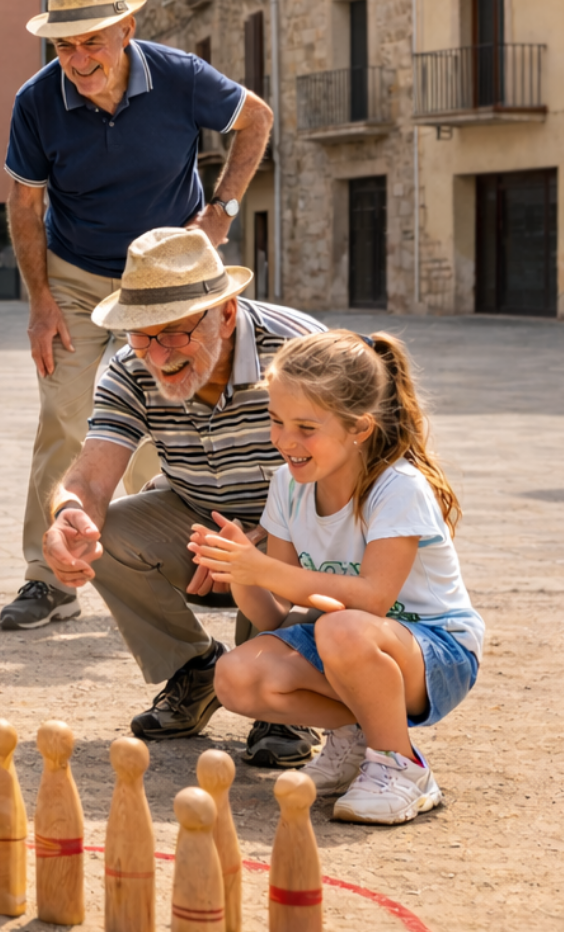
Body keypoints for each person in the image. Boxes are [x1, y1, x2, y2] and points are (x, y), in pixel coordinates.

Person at [0, 0, 274, 633]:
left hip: (166, 280)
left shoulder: (179, 77)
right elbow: (25, 204)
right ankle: (48, 576)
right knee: (66, 419)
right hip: (76, 270)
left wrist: (224, 209)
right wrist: (40, 300)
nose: (79, 58)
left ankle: (173, 567)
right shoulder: (37, 102)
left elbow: (255, 118)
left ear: (126, 28)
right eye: (65, 45)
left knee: (171, 421)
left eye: (93, 40)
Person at [41, 228, 328, 768]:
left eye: (172, 333)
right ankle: (195, 669)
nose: (158, 356)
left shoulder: (298, 352)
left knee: (296, 545)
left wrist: (258, 546)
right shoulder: (131, 367)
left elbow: (353, 478)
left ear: (224, 313)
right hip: (199, 516)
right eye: (140, 336)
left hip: (299, 524)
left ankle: (285, 697)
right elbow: (92, 478)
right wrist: (69, 515)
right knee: (110, 532)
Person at [203, 331, 478, 824]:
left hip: (438, 651)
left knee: (342, 626)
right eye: (276, 420)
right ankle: (358, 743)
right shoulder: (287, 486)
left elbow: (373, 598)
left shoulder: (398, 487)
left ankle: (404, 767)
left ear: (360, 428)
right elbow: (276, 617)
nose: (287, 440)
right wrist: (241, 568)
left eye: (306, 427)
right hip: (350, 644)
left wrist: (265, 568)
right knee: (237, 677)